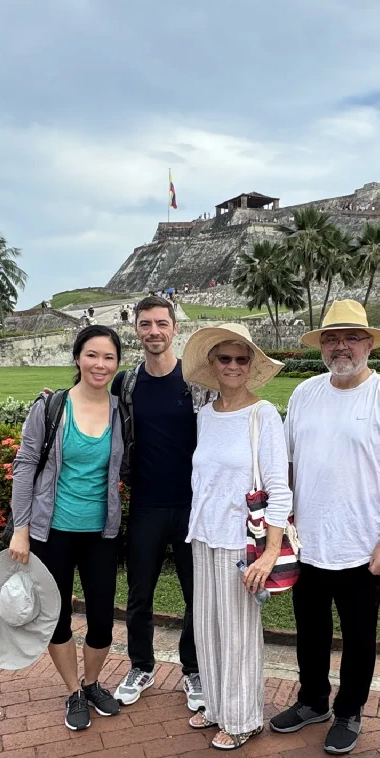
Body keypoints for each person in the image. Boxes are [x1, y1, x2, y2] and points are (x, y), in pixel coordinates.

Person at [271, 300, 380, 754]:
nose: (341, 347)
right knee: (310, 631)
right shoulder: (305, 395)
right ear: (322, 346)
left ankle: (349, 710)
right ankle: (313, 700)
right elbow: (289, 467)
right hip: (309, 541)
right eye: (332, 338)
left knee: (359, 638)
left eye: (351, 337)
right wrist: (281, 530)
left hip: (362, 545)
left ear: (369, 344)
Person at [9, 326, 125, 731]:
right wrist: (20, 527)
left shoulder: (120, 410)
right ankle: (73, 690)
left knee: (101, 620)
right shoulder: (51, 407)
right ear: (77, 358)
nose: (100, 364)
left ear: (117, 364)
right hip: (51, 530)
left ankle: (92, 683)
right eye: (92, 355)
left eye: (108, 357)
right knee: (56, 617)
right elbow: (24, 466)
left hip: (100, 533)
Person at [182, 324, 290, 748]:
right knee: (207, 626)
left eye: (240, 359)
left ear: (251, 366)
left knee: (238, 630)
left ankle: (243, 718)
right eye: (224, 358)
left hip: (241, 541)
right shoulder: (205, 415)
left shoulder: (262, 415)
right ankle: (216, 706)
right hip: (203, 534)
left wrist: (271, 552)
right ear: (212, 364)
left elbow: (279, 487)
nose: (232, 366)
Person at [112, 296, 216, 710]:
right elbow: (91, 401)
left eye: (161, 323)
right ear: (136, 330)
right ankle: (141, 665)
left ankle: (192, 670)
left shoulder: (196, 382)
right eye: (145, 324)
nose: (153, 331)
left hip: (193, 506)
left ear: (174, 328)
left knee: (197, 594)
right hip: (146, 505)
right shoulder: (127, 384)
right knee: (139, 593)